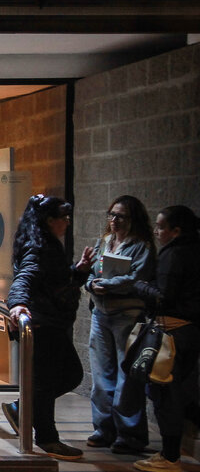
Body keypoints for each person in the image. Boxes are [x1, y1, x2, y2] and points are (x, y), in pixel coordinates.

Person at [5, 194, 95, 460]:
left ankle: (23, 409)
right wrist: (18, 303)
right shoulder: (39, 246)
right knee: (59, 379)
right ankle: (47, 438)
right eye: (63, 218)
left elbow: (54, 283)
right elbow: (26, 276)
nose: (67, 222)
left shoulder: (46, 243)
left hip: (51, 323)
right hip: (43, 325)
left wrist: (78, 271)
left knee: (63, 377)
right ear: (49, 221)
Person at [131, 205, 200, 472]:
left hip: (173, 332)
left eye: (161, 227)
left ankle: (169, 457)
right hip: (190, 331)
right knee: (182, 393)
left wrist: (139, 284)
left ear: (175, 231)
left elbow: (163, 297)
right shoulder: (195, 249)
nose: (157, 232)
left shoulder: (174, 254)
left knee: (164, 392)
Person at [85, 195, 156, 454]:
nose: (114, 220)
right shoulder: (105, 242)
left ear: (132, 219)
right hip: (100, 315)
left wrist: (107, 286)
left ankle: (129, 434)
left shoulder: (141, 246)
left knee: (127, 377)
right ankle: (104, 429)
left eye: (120, 216)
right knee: (101, 376)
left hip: (127, 315)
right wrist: (91, 284)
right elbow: (92, 270)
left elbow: (136, 277)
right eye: (111, 215)